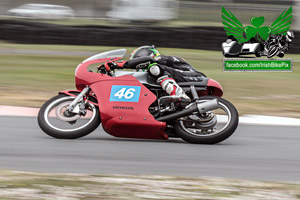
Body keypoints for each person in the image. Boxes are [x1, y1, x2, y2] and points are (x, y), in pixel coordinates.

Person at [104, 45, 206, 101]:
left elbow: (149, 60)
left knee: (154, 68)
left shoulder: (159, 59)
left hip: (194, 77)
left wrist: (119, 65)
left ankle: (178, 94)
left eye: (137, 63)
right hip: (185, 81)